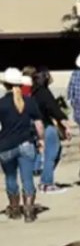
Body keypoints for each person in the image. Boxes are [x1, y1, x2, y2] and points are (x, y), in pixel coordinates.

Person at [0, 67, 44, 221]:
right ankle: (29, 210)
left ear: (5, 84)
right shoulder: (29, 101)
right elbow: (39, 124)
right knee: (27, 178)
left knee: (11, 178)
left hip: (6, 145)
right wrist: (41, 140)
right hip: (26, 143)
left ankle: (14, 208)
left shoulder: (1, 103)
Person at [31, 67, 71, 193]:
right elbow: (54, 109)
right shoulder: (43, 92)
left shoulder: (31, 91)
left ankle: (45, 180)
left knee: (50, 153)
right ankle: (47, 183)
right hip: (45, 124)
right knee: (52, 154)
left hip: (34, 124)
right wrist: (65, 124)